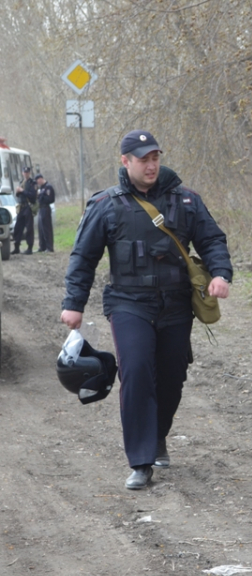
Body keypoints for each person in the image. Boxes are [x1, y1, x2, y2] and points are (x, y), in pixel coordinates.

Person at [60, 130, 233, 490]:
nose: (151, 164)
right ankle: (140, 461)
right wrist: (73, 304)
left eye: (155, 157)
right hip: (128, 304)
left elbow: (212, 239)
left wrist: (220, 274)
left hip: (175, 303)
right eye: (143, 159)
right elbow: (84, 257)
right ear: (125, 162)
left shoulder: (185, 201)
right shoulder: (106, 205)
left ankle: (157, 437)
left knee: (171, 377)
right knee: (136, 371)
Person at [12, 166, 37, 255]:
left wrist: (22, 191)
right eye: (24, 172)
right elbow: (18, 196)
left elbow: (33, 196)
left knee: (29, 228)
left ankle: (29, 247)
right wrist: (18, 191)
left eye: (27, 172)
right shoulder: (21, 182)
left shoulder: (32, 183)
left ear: (29, 173)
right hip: (21, 207)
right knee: (18, 227)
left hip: (28, 207)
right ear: (22, 173)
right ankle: (16, 247)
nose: (26, 174)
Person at [36, 174, 55, 252]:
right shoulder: (41, 188)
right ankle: (42, 246)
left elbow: (51, 199)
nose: (38, 183)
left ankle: (49, 247)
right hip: (40, 208)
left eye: (38, 180)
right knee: (41, 228)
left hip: (45, 208)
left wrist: (41, 196)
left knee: (46, 228)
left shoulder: (48, 187)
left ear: (41, 179)